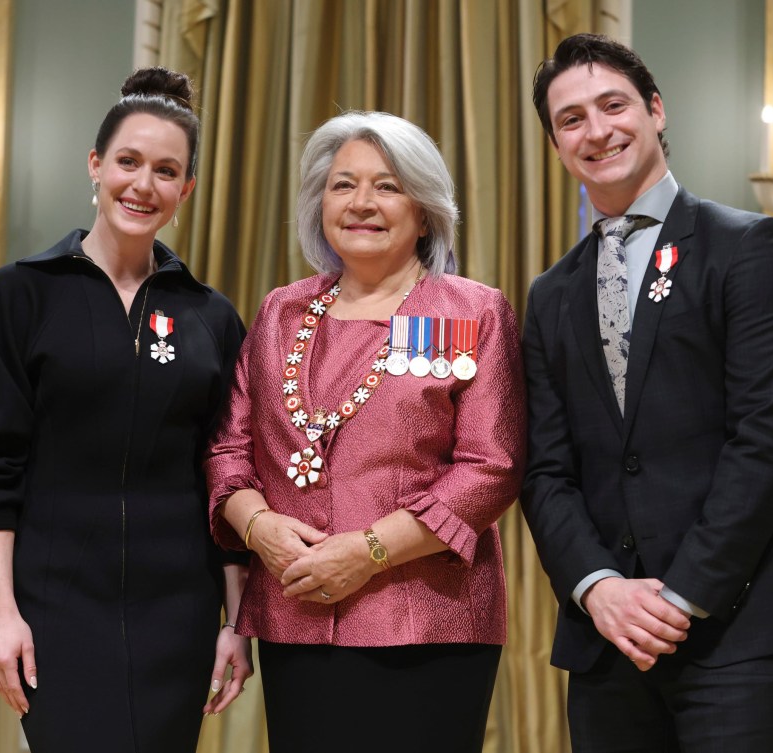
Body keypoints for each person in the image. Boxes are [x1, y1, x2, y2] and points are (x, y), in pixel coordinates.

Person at [520, 33, 773, 752]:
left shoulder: (749, 247)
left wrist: (676, 596)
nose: (596, 130)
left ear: (655, 110)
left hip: (736, 632)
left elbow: (767, 444)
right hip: (605, 639)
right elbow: (544, 469)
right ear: (556, 144)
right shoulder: (549, 295)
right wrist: (597, 586)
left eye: (612, 105)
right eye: (571, 119)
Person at [0, 68, 251, 753]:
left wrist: (236, 618)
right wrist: (0, 613)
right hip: (55, 608)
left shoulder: (210, 316)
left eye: (166, 171)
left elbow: (227, 472)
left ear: (185, 190)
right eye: (128, 162)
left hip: (179, 612)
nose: (143, 185)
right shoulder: (19, 296)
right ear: (95, 164)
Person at [207, 110, 524, 753]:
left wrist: (367, 552)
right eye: (342, 185)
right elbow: (229, 450)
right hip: (295, 612)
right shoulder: (280, 311)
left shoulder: (468, 311)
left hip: (429, 621)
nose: (362, 203)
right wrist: (258, 526)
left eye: (387, 185)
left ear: (425, 207)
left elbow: (492, 466)